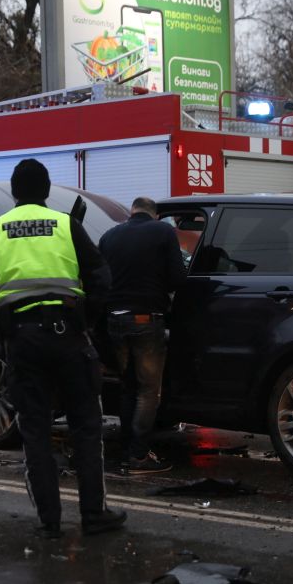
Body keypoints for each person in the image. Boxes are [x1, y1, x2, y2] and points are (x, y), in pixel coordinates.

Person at [0, 159, 126, 539]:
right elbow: (101, 277)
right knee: (86, 427)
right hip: (69, 335)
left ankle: (49, 520)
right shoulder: (66, 224)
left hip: (22, 341)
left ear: (15, 194)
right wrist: (87, 321)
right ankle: (93, 514)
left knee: (35, 430)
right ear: (47, 189)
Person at [98, 196, 186, 474]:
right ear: (155, 215)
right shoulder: (163, 232)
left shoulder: (109, 236)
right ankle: (138, 456)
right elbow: (177, 278)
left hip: (115, 321)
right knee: (149, 391)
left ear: (131, 212)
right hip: (146, 319)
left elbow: (99, 280)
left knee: (128, 387)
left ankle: (128, 450)